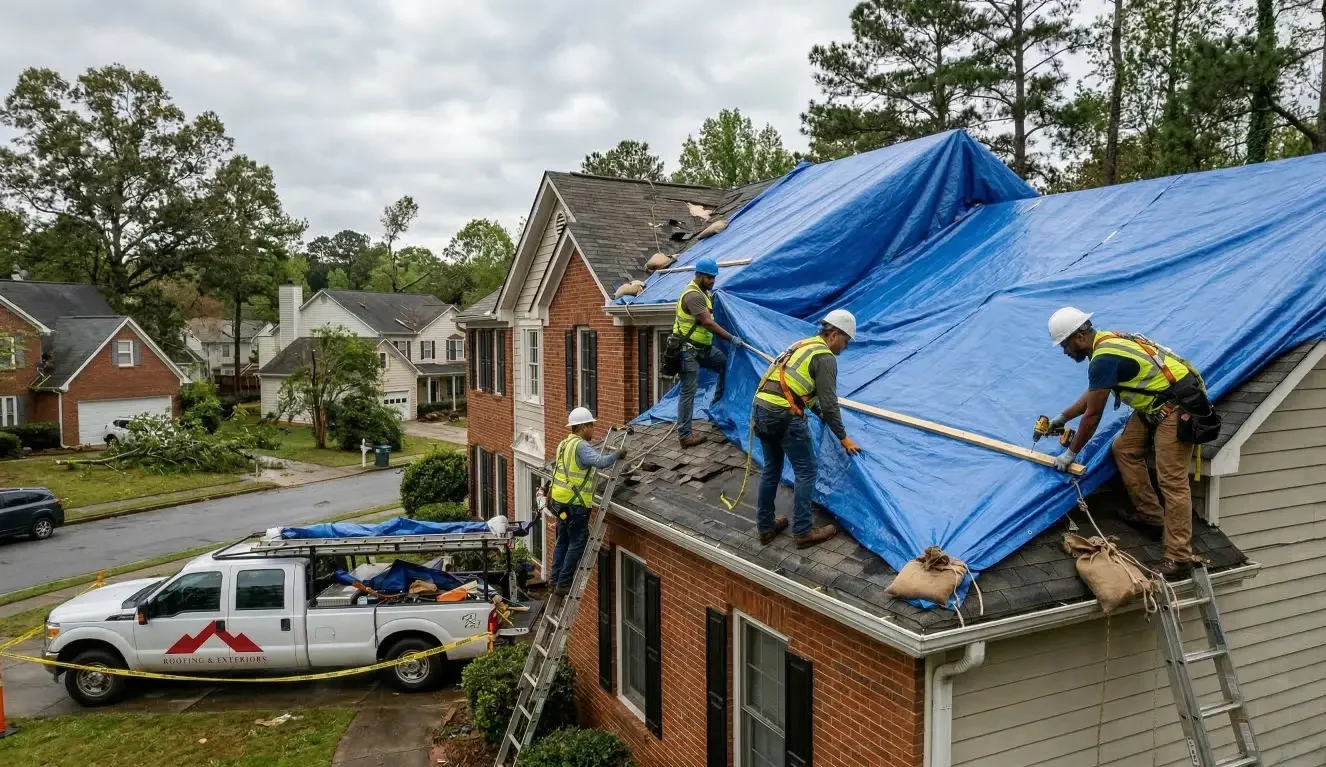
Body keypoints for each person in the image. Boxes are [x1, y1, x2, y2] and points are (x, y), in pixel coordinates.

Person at [1046, 306, 1206, 577]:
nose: (1065, 351)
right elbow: (1094, 393)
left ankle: (1179, 558)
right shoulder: (1106, 342)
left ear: (1078, 337)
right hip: (1153, 406)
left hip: (1176, 409)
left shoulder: (1103, 358)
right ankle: (1153, 519)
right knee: (1125, 448)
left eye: (1064, 345)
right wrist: (1063, 417)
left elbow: (1094, 415)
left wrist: (1071, 453)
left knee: (1172, 482)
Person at [752, 309, 863, 549]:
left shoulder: (803, 345)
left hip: (761, 409)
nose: (845, 348)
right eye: (845, 341)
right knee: (807, 470)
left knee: (771, 468)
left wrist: (820, 415)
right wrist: (843, 438)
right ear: (834, 334)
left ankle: (766, 527)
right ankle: (802, 531)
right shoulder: (825, 357)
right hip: (783, 415)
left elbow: (800, 391)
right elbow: (830, 403)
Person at [548, 407, 626, 595]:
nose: (594, 431)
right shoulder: (581, 446)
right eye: (591, 426)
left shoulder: (564, 444)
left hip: (559, 501)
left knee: (562, 541)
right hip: (574, 504)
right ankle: (564, 584)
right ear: (583, 427)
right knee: (577, 541)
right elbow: (600, 463)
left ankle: (554, 580)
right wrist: (618, 454)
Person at [674, 256, 744, 448]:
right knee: (688, 390)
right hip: (687, 350)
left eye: (714, 277)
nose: (712, 281)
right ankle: (685, 436)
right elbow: (706, 322)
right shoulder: (693, 295)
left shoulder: (703, 293)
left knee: (724, 365)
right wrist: (731, 338)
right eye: (708, 277)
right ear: (698, 275)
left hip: (702, 349)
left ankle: (716, 408)